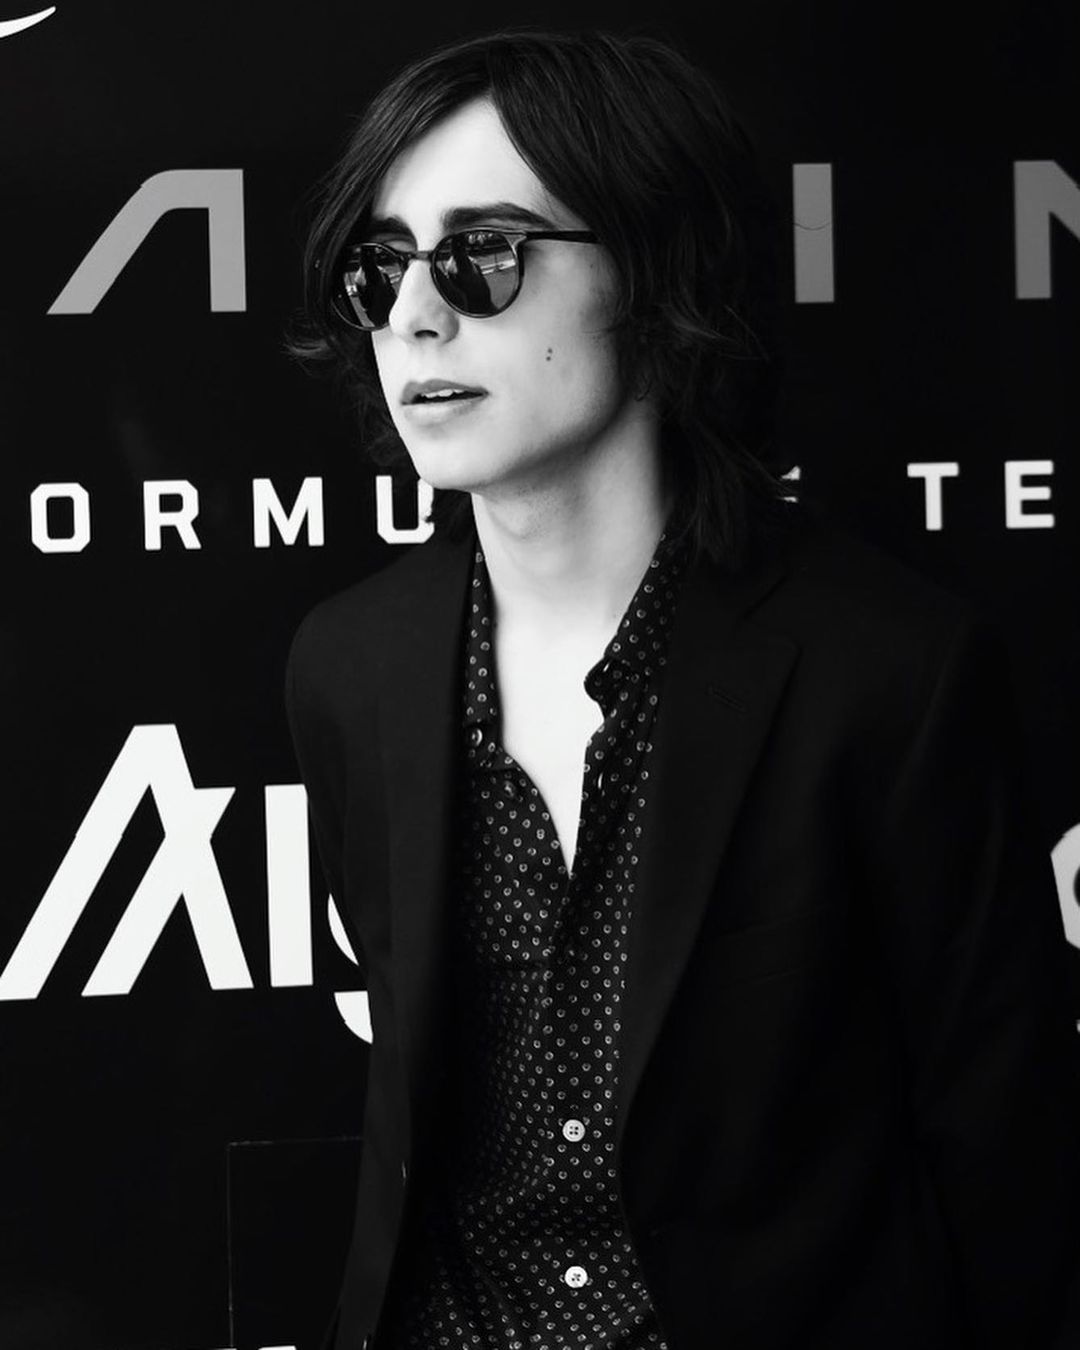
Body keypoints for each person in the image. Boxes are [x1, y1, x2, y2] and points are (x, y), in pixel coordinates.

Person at [285, 28, 1080, 1350]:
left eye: (484, 255)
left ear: (654, 274)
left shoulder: (890, 669)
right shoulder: (348, 666)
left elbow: (1008, 1165)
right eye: (380, 268)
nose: (414, 315)